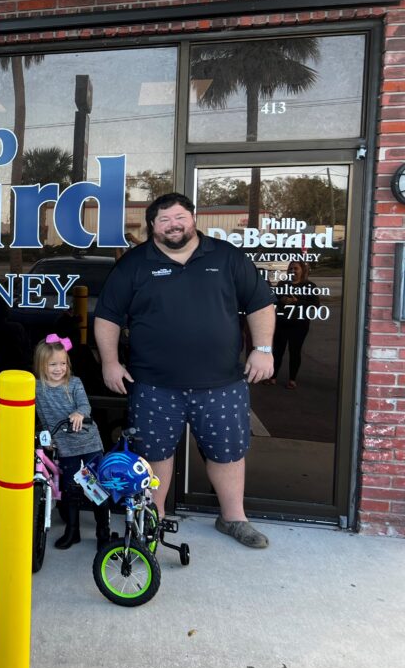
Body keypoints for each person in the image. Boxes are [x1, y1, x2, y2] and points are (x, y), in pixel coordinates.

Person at [94, 192, 275, 549]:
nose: (173, 225)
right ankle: (153, 522)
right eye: (164, 220)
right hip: (154, 384)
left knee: (228, 452)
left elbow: (260, 303)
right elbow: (107, 316)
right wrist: (110, 362)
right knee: (154, 456)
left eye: (179, 217)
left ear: (193, 218)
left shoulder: (225, 257)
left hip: (221, 382)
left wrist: (263, 349)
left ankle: (234, 518)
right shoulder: (134, 263)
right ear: (152, 226)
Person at [33, 334, 109, 550]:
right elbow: (40, 416)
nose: (59, 368)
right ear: (41, 365)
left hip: (88, 443)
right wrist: (46, 435)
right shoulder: (38, 388)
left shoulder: (74, 383)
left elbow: (85, 406)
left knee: (95, 487)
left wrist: (78, 413)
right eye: (53, 364)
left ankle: (102, 532)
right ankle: (72, 531)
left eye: (63, 363)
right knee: (70, 489)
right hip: (65, 446)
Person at [267, 261, 318, 390]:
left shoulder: (310, 285)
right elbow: (273, 300)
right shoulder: (282, 284)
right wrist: (281, 300)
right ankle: (273, 377)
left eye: (296, 268)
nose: (292, 271)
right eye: (290, 269)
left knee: (295, 352)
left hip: (299, 325)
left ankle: (292, 379)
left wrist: (297, 302)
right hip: (282, 323)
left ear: (302, 270)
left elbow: (315, 305)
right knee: (278, 351)